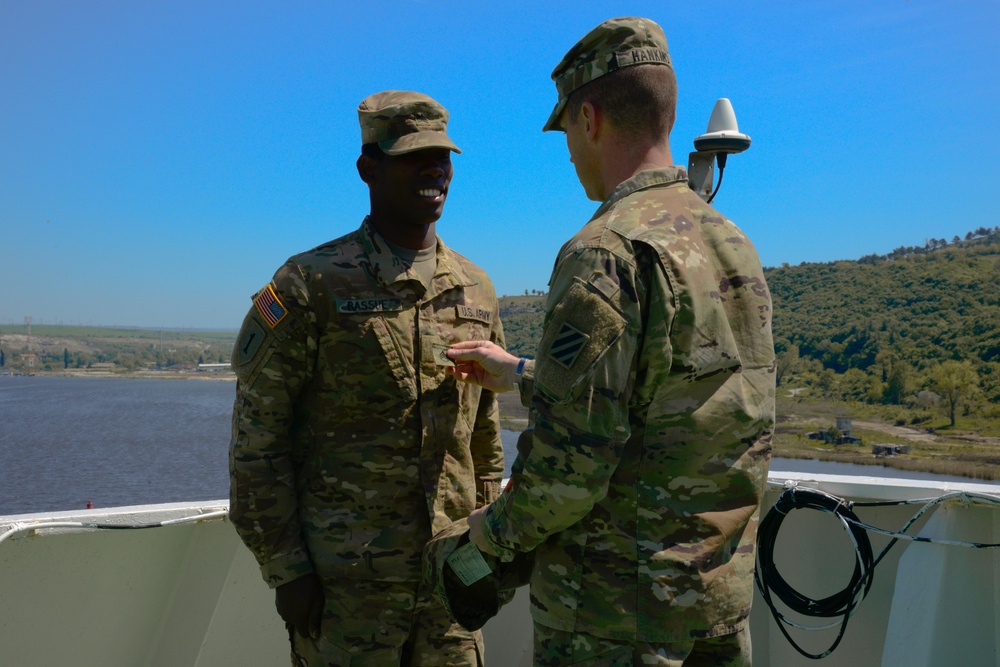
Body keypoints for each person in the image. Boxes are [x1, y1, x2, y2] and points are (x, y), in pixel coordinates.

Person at [445, 17, 776, 666]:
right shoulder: (733, 244)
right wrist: (517, 372)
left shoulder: (606, 251)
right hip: (715, 611)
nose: (568, 150)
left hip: (614, 625)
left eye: (566, 129)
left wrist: (485, 539)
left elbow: (566, 477)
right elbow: (671, 394)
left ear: (589, 118)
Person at [229, 90, 506, 666]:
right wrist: (288, 571)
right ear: (368, 169)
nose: (434, 169)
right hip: (345, 592)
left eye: (443, 157)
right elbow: (258, 444)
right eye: (413, 156)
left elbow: (483, 438)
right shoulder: (312, 283)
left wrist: (486, 550)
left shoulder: (476, 289)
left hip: (449, 586)